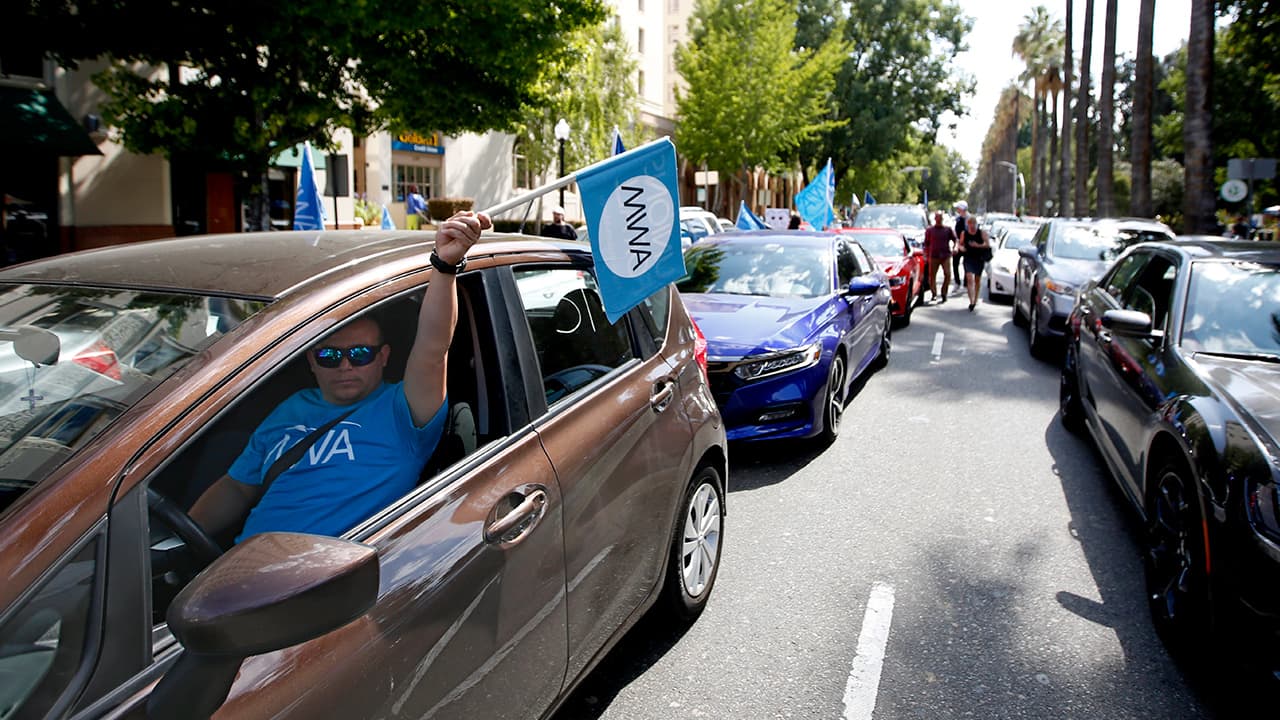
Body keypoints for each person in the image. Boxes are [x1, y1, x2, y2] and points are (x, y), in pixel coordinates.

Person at [190, 211, 492, 544]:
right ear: (312, 362)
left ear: (383, 357)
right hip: (242, 573)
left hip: (333, 576)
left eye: (360, 354)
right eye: (330, 356)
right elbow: (236, 487)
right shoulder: (291, 408)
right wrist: (174, 548)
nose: (345, 365)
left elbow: (433, 350)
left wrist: (445, 267)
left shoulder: (402, 408)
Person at [959, 215, 992, 311]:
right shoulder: (964, 233)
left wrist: (978, 245)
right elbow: (960, 244)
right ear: (968, 224)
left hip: (979, 258)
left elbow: (987, 244)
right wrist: (962, 248)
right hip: (968, 257)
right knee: (969, 277)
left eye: (974, 224)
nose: (972, 226)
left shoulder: (981, 233)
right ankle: (971, 301)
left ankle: (975, 298)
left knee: (977, 279)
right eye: (970, 224)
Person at [923, 211, 956, 302]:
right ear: (935, 219)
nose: (939, 219)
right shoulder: (930, 230)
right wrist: (925, 254)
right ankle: (934, 293)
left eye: (940, 218)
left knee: (948, 274)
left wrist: (955, 247)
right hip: (933, 255)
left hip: (945, 255)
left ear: (942, 219)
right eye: (937, 217)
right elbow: (926, 243)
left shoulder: (947, 229)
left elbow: (954, 239)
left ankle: (944, 293)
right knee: (932, 276)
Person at [952, 200, 970, 287]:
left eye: (958, 208)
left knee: (967, 264)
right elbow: (956, 232)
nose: (957, 210)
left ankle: (966, 283)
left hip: (967, 246)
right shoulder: (958, 219)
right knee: (955, 263)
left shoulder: (969, 219)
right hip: (958, 244)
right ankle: (957, 282)